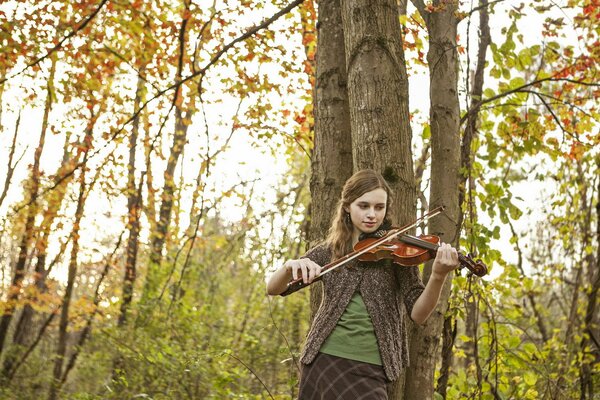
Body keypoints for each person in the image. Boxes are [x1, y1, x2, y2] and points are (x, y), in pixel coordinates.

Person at [266, 169, 460, 399]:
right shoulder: (330, 251)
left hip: (371, 367)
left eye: (379, 207)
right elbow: (273, 288)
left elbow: (418, 314)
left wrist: (438, 276)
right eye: (364, 206)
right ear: (347, 206)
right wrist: (290, 266)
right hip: (323, 360)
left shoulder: (397, 251)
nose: (372, 215)